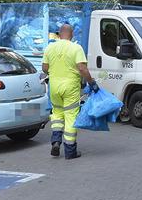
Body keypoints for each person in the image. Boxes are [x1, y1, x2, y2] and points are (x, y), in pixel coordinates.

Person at [42, 24, 99, 160]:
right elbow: (82, 68)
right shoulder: (76, 48)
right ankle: (70, 151)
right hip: (70, 88)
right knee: (71, 116)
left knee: (57, 114)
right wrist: (91, 82)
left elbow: (45, 68)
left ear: (59, 34)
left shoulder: (50, 48)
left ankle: (56, 141)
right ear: (71, 34)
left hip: (54, 88)